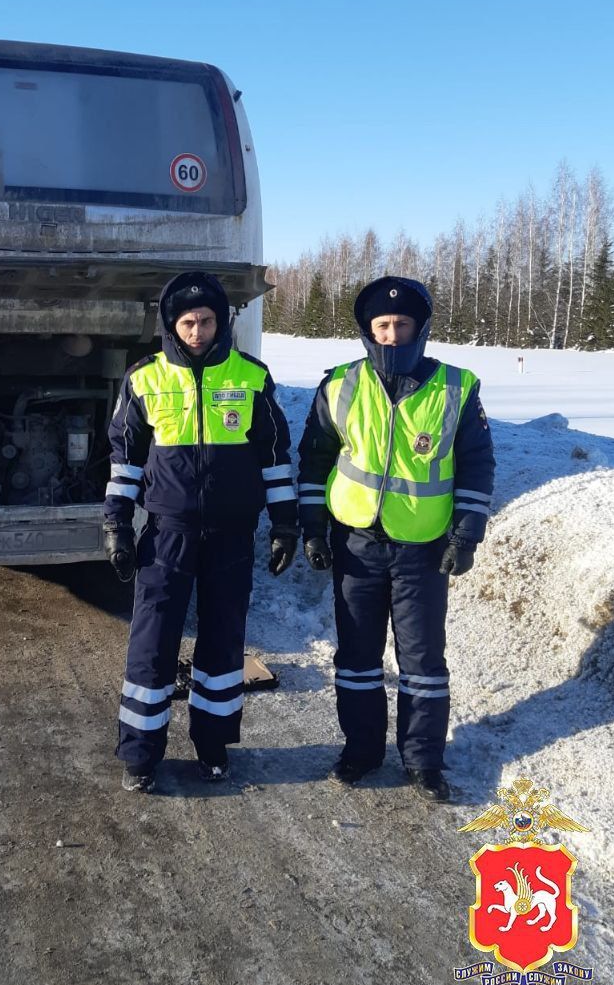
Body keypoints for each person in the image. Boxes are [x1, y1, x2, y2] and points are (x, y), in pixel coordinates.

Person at [297, 276, 494, 802]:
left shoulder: (456, 388)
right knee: (357, 658)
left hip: (423, 550)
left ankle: (423, 760)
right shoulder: (340, 384)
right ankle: (361, 751)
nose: (390, 334)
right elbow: (314, 460)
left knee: (423, 662)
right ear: (367, 330)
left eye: (400, 324)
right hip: (356, 546)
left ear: (419, 328)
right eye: (380, 326)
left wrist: (466, 535)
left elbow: (477, 466)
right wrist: (313, 527)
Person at [103, 270, 298, 793]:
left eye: (206, 320)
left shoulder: (251, 376)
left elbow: (275, 458)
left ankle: (212, 747)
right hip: (167, 534)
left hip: (232, 536)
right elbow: (125, 460)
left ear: (221, 321)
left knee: (222, 642)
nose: (197, 331)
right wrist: (117, 523)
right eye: (187, 322)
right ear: (171, 324)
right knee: (152, 642)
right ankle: (141, 754)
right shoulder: (144, 379)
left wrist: (285, 523)